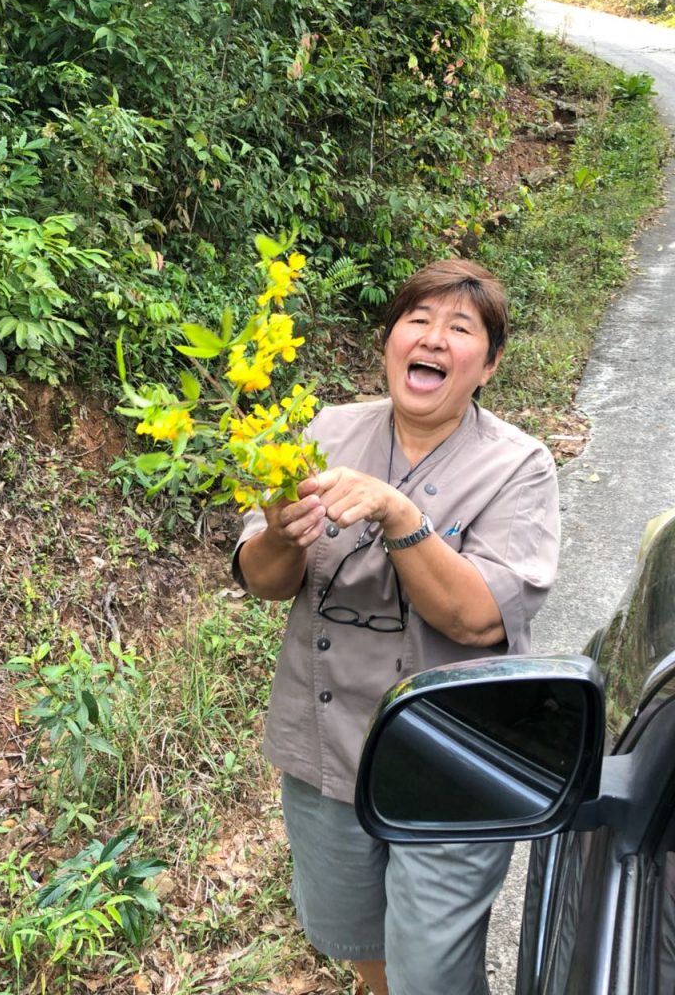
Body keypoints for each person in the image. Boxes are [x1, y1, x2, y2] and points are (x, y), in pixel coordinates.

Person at [232, 258, 561, 995]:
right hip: (328, 749)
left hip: (454, 761)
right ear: (388, 343)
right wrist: (283, 533)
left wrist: (401, 515)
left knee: (433, 970)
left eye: (460, 328)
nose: (434, 338)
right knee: (361, 942)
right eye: (418, 320)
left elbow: (478, 620)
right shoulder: (325, 431)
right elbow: (264, 581)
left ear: (490, 365)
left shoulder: (519, 467)